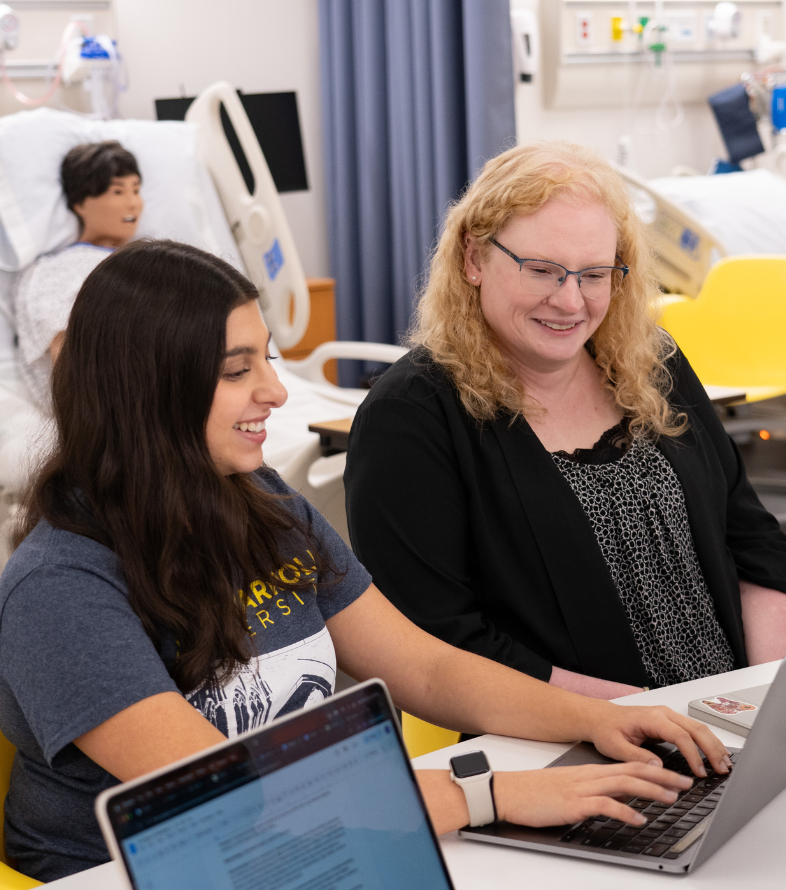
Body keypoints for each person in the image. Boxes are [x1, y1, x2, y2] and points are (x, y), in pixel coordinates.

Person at [0, 240, 728, 882]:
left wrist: (598, 721)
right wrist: (489, 797)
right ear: (142, 392)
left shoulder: (260, 502)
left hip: (309, 846)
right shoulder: (60, 589)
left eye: (269, 360)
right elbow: (231, 796)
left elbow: (424, 666)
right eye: (235, 371)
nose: (275, 393)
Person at [345, 141, 786, 701]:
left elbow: (751, 540)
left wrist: (766, 699)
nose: (571, 301)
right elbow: (436, 642)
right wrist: (638, 717)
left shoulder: (652, 363)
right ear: (473, 259)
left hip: (730, 723)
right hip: (571, 743)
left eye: (595, 274)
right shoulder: (411, 419)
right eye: (544, 270)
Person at [14, 140, 143, 407]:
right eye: (117, 192)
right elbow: (67, 369)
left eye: (136, 190)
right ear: (80, 203)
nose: (133, 203)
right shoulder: (57, 272)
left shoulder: (153, 256)